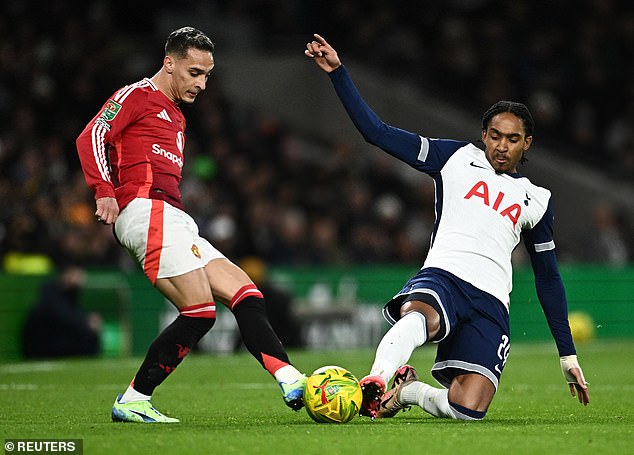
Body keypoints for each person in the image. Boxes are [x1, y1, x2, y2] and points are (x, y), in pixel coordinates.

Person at [305, 34, 590, 421]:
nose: (501, 146)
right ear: (483, 134)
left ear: (528, 143)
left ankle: (409, 391)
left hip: (491, 300)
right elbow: (377, 132)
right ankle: (376, 380)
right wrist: (338, 73)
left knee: (467, 410)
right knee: (421, 316)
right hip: (446, 274)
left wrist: (567, 354)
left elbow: (548, 278)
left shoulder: (537, 198)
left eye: (512, 139)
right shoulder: (454, 157)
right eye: (494, 135)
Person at [76, 27, 306, 424]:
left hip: (175, 217)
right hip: (145, 211)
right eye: (194, 72)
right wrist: (104, 191)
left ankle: (289, 377)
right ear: (170, 63)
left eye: (207, 75)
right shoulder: (137, 95)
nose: (201, 83)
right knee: (199, 311)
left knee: (245, 291)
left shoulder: (177, 117)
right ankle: (133, 399)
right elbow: (93, 133)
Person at [22, 266, 101, 359]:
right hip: (42, 346)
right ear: (65, 275)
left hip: (57, 342)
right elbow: (65, 317)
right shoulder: (50, 295)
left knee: (90, 335)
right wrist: (87, 323)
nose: (79, 280)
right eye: (75, 275)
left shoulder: (71, 297)